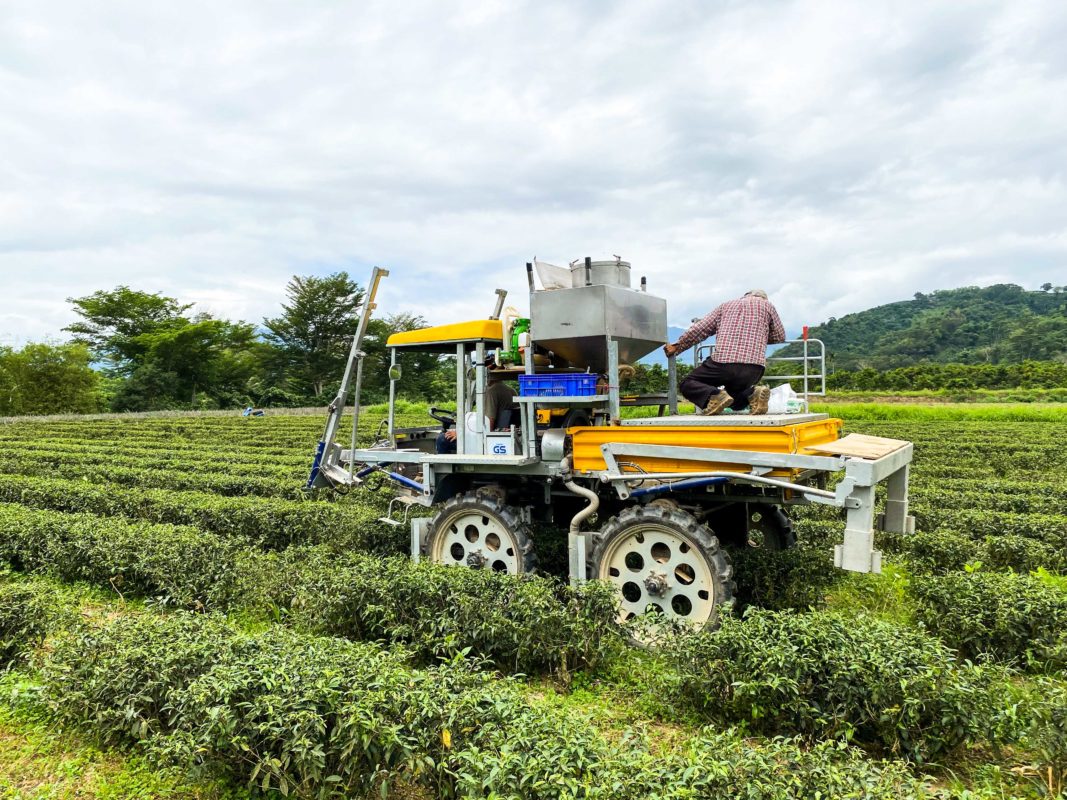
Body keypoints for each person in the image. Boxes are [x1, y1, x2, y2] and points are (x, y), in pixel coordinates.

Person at [663, 289, 785, 415]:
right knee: (735, 399)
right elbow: (779, 336)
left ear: (745, 296)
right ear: (764, 298)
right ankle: (753, 393)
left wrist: (678, 346)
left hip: (723, 363)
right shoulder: (768, 306)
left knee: (687, 383)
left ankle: (715, 395)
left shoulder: (726, 306)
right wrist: (760, 335)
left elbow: (700, 329)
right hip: (754, 368)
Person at [436, 370, 518, 453]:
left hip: (488, 438)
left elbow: (488, 424)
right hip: (504, 432)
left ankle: (444, 466)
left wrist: (462, 434)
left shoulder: (491, 391)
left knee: (442, 439)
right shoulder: (512, 390)